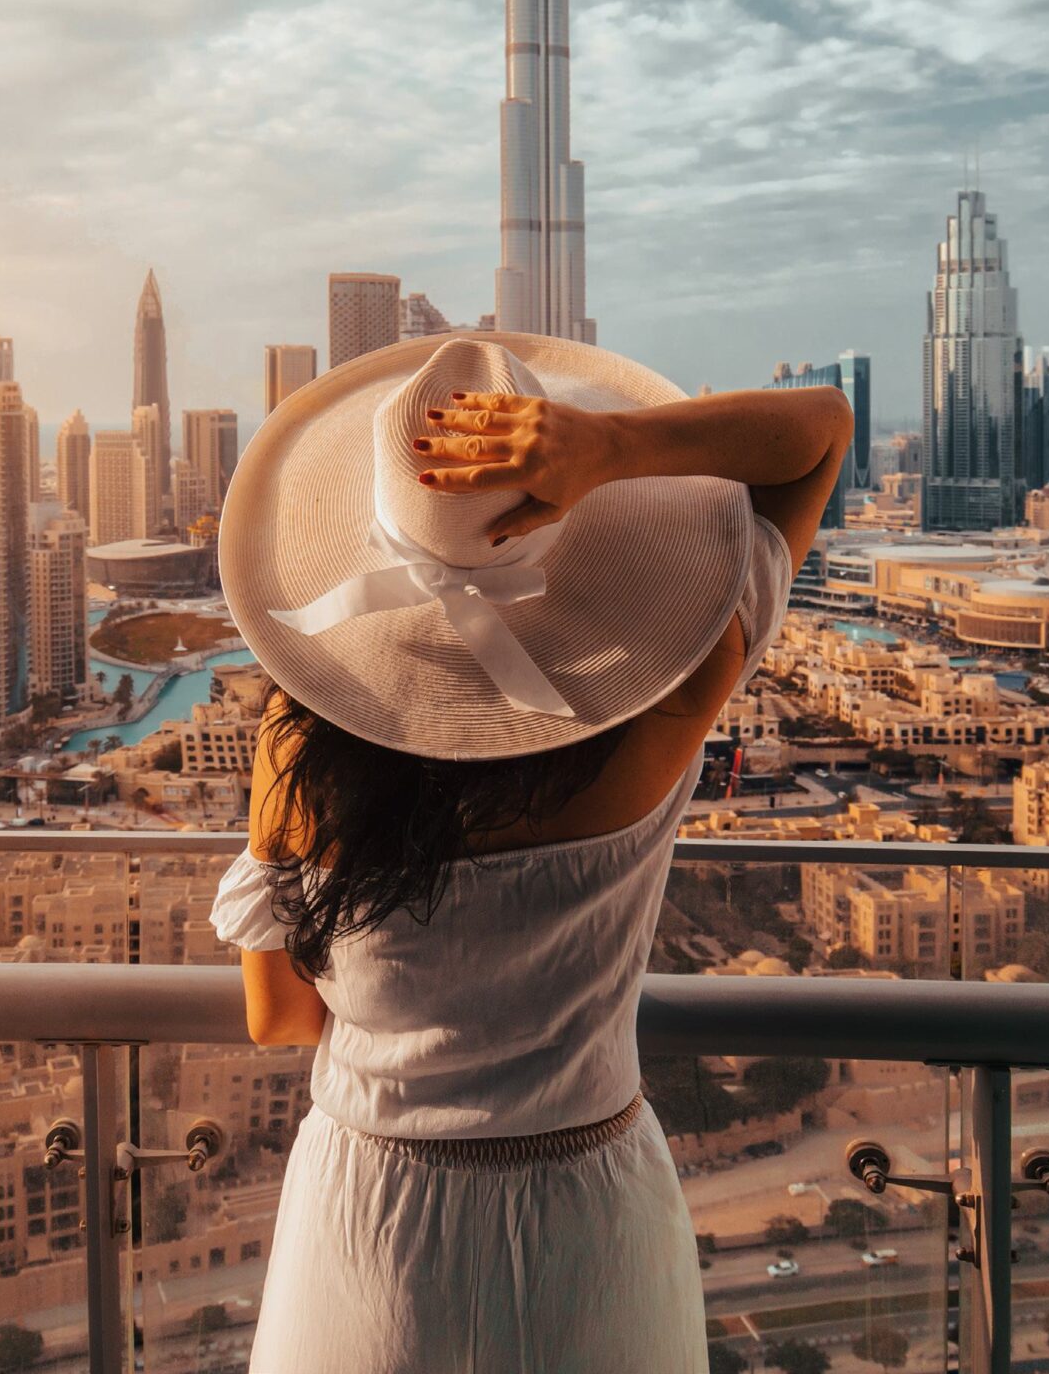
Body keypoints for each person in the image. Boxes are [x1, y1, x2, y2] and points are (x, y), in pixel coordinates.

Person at [210, 333, 851, 1372]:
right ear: (564, 518)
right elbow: (820, 433)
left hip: (371, 1220)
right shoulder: (672, 696)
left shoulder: (301, 746)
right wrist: (611, 446)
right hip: (587, 1206)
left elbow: (280, 1017)